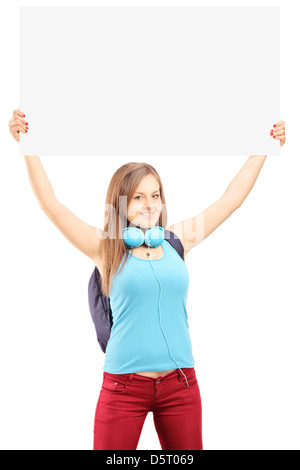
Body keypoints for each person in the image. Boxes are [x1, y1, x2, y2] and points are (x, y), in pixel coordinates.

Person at [8, 109, 286, 450]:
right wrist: (27, 146)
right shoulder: (104, 246)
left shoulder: (177, 240)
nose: (149, 204)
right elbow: (51, 205)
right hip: (123, 387)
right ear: (121, 202)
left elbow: (231, 200)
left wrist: (264, 147)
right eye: (139, 197)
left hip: (181, 384)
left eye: (155, 195)